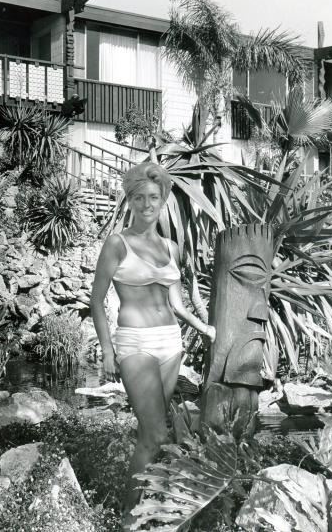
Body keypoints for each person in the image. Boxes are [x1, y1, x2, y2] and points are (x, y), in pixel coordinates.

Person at [90, 161, 216, 527]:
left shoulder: (171, 248)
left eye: (154, 197)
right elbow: (96, 300)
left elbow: (177, 304)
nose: (147, 204)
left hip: (169, 343)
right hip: (136, 344)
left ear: (163, 200)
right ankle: (129, 519)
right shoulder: (117, 244)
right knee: (158, 433)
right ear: (129, 200)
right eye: (139, 197)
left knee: (151, 434)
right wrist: (108, 350)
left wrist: (203, 328)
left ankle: (147, 511)